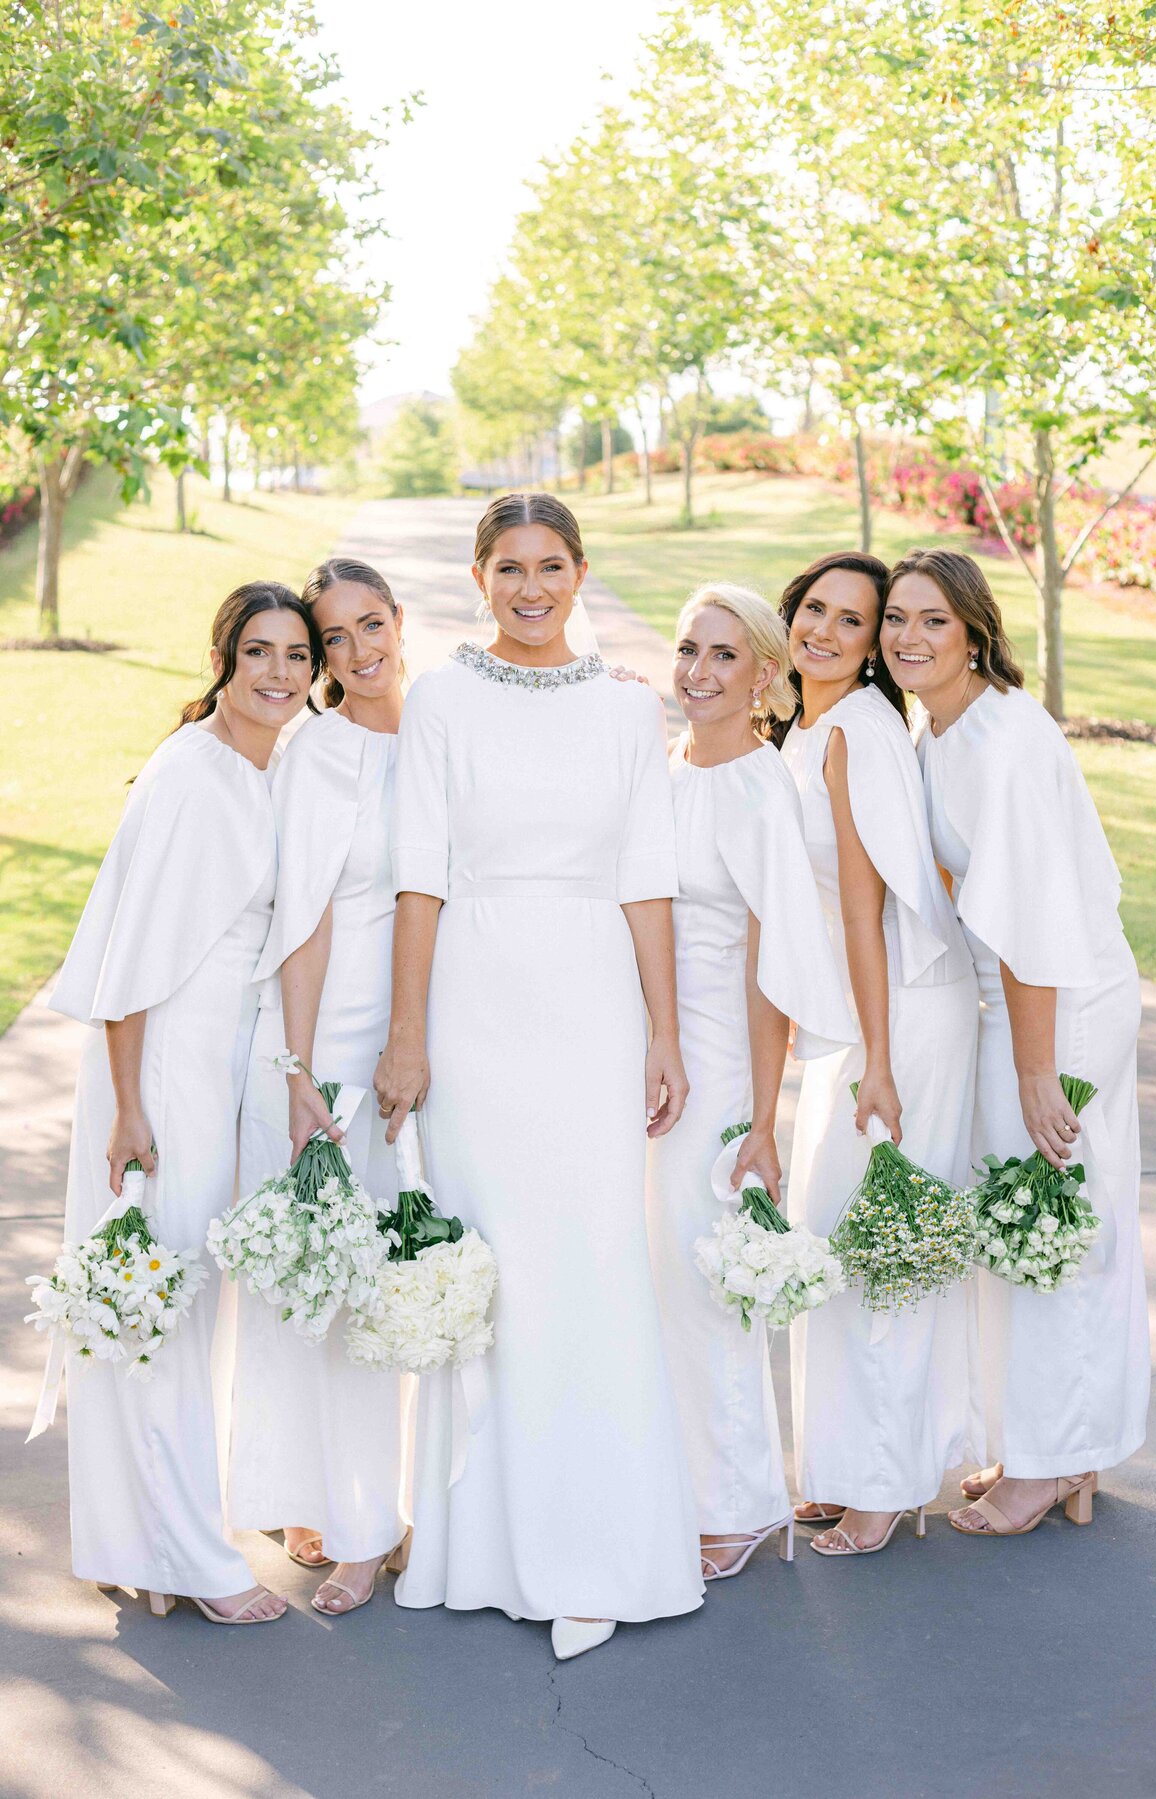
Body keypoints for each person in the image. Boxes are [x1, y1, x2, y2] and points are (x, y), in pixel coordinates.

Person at [374, 492, 702, 1660]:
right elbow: (420, 872)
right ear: (477, 575)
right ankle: (481, 1547)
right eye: (508, 566)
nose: (530, 585)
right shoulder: (442, 700)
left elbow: (647, 875)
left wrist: (665, 1030)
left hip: (594, 1001)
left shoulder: (627, 707)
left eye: (550, 564)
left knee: (597, 1261)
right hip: (475, 998)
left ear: (579, 570)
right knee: (493, 1271)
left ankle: (602, 1549)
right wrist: (407, 1033)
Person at [47, 582, 320, 1623]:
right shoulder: (191, 777)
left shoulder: (271, 763)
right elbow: (127, 967)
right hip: (160, 1068)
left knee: (166, 1310)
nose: (279, 674)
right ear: (223, 655)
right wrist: (128, 1107)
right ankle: (192, 1560)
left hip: (220, 1061)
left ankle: (136, 1540)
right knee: (160, 1307)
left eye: (297, 655)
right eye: (259, 652)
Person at [883, 546, 1149, 1536]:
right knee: (1029, 1219)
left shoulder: (998, 740)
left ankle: (1052, 1461)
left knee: (1048, 1223)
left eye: (934, 621)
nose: (910, 637)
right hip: (1028, 993)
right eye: (897, 620)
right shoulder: (945, 726)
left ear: (975, 633)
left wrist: (1040, 1070)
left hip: (1060, 1001)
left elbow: (1032, 919)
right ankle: (1052, 1441)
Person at [647, 583, 854, 1582]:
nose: (699, 671)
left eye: (725, 656)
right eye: (689, 648)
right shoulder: (660, 767)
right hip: (642, 1049)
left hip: (722, 1053)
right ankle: (673, 1481)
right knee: (651, 1275)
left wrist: (762, 1119)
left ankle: (736, 1500)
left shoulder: (762, 788)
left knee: (702, 1273)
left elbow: (772, 969)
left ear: (765, 676)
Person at [777, 552, 980, 1556]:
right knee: (835, 1236)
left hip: (898, 1013)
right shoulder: (805, 724)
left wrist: (880, 1059)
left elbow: (866, 908)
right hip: (854, 1015)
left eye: (851, 621)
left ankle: (885, 1481)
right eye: (815, 607)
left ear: (868, 650)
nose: (825, 628)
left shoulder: (855, 728)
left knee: (877, 1249)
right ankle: (843, 1460)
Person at [227, 558, 415, 1613]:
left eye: (370, 625)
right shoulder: (318, 755)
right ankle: (338, 1513)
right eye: (332, 640)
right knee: (320, 1284)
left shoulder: (439, 732)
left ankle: (366, 1503)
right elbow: (302, 921)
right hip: (318, 1045)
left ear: (401, 621)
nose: (355, 653)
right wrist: (300, 1071)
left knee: (380, 1283)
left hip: (414, 1045)